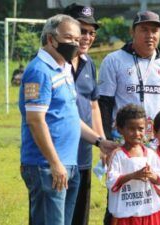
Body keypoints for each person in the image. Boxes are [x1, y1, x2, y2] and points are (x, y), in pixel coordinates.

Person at [18, 14, 116, 225]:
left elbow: (71, 117)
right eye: (69, 38)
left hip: (69, 165)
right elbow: (35, 121)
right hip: (47, 166)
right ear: (51, 39)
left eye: (77, 38)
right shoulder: (39, 71)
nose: (75, 43)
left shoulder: (63, 68)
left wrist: (100, 141)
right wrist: (55, 163)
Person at [98, 10, 160, 225]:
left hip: (158, 142)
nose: (150, 35)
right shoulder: (114, 60)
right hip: (124, 142)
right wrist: (106, 142)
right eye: (144, 30)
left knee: (155, 196)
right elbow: (105, 103)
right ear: (132, 32)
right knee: (119, 196)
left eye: (154, 30)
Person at [62, 4, 105, 225]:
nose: (87, 37)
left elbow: (94, 106)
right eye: (82, 30)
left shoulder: (89, 65)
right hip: (58, 154)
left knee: (80, 216)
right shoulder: (56, 65)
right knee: (55, 216)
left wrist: (103, 143)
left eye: (91, 32)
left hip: (83, 153)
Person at [106, 104, 160, 225]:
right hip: (125, 214)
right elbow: (111, 181)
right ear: (120, 129)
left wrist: (152, 176)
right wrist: (133, 175)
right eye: (131, 129)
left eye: (140, 129)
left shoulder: (150, 154)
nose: (137, 133)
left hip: (148, 211)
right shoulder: (117, 155)